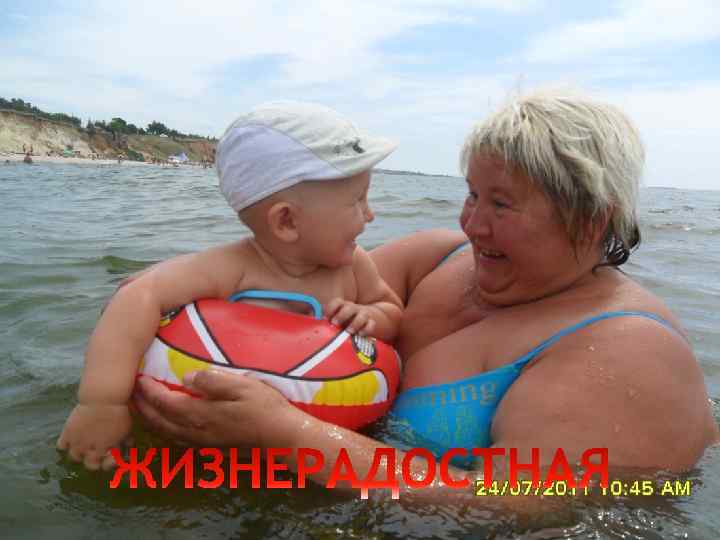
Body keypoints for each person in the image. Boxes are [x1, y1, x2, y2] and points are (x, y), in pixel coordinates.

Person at [131, 89, 719, 497]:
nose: (472, 224)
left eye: (501, 204)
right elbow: (272, 283)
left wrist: (287, 436)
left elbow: (519, 504)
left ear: (591, 219)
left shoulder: (626, 352)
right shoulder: (434, 258)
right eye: (472, 195)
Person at [57, 101, 403, 470]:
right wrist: (101, 405)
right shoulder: (230, 267)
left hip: (312, 441)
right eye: (357, 201)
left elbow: (392, 309)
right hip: (208, 441)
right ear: (286, 221)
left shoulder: (354, 266)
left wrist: (370, 316)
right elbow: (137, 295)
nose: (370, 214)